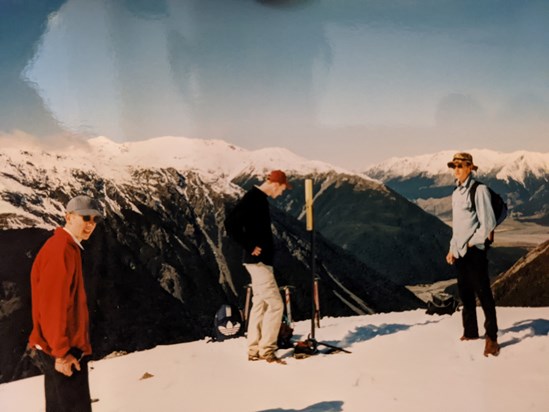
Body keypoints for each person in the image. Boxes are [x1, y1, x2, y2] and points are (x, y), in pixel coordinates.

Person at [28, 195, 102, 411]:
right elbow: (53, 306)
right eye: (85, 218)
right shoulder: (60, 250)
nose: (91, 224)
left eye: (95, 220)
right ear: (68, 217)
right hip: (64, 351)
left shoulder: (68, 247)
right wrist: (61, 353)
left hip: (59, 348)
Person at [225, 170, 291, 364]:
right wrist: (249, 245)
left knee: (260, 305)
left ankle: (254, 349)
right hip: (259, 262)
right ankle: (267, 350)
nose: (281, 194)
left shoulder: (258, 198)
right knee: (276, 305)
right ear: (276, 184)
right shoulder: (254, 198)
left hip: (260, 262)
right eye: (282, 189)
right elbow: (230, 224)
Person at [445, 153, 500, 357]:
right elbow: (457, 226)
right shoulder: (456, 192)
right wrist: (453, 248)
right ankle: (470, 332)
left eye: (460, 165)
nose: (456, 169)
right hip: (460, 251)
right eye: (454, 166)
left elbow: (488, 224)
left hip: (474, 251)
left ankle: (492, 339)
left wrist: (471, 242)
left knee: (483, 293)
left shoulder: (480, 190)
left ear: (470, 167)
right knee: (465, 293)